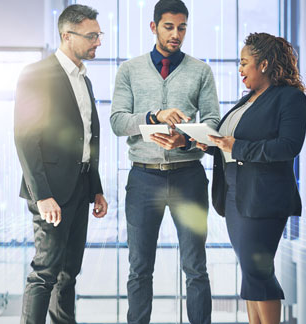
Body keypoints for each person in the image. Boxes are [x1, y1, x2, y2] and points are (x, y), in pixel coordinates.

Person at [110, 0, 220, 323]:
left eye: (182, 27)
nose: (176, 34)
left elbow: (213, 123)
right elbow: (118, 121)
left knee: (195, 267)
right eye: (169, 27)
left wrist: (184, 139)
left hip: (189, 177)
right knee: (140, 268)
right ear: (153, 26)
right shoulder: (129, 70)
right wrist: (154, 116)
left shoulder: (201, 71)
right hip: (143, 180)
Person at [193, 32, 306, 324]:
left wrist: (237, 146)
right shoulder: (248, 100)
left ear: (265, 64)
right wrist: (211, 145)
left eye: (245, 63)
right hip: (236, 194)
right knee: (250, 271)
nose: (240, 69)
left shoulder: (290, 98)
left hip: (264, 197)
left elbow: (288, 147)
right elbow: (230, 146)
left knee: (259, 271)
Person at [13, 4, 108, 324]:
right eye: (92, 36)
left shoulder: (84, 79)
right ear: (67, 36)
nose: (98, 41)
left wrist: (96, 188)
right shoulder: (37, 75)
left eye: (99, 35)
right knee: (45, 272)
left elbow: (88, 138)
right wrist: (42, 195)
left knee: (69, 273)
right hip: (51, 192)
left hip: (80, 189)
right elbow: (26, 138)